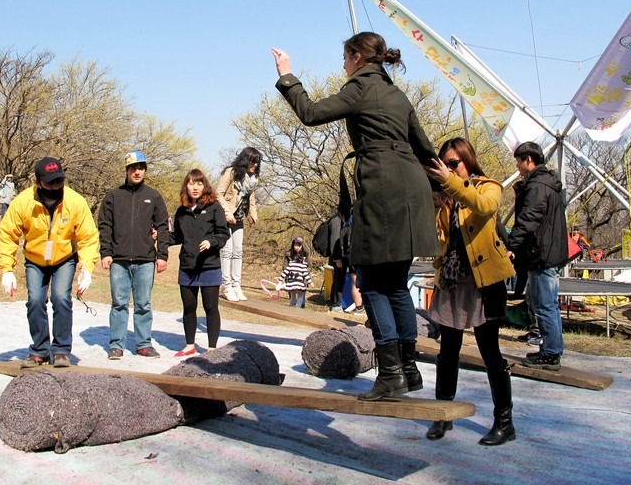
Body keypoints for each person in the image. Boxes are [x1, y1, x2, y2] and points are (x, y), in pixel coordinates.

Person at [271, 32, 439, 402]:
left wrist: (287, 75)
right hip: (413, 189)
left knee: (372, 282)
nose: (342, 64)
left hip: (383, 188)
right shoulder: (397, 94)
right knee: (396, 284)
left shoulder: (360, 87)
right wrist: (448, 186)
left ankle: (391, 373)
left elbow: (311, 113)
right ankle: (409, 371)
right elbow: (425, 149)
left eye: (344, 57)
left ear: (358, 57)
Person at [423, 137, 517, 446]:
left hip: (483, 283)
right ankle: (442, 414)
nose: (449, 170)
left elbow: (484, 206)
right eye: (444, 165)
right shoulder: (445, 198)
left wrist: (450, 185)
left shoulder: (488, 187)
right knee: (447, 352)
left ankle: (505, 422)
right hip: (451, 281)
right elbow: (437, 241)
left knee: (491, 353)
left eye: (454, 164)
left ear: (468, 161)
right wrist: (433, 203)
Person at [0, 156, 99, 368]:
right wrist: (7, 269)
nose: (55, 186)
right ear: (38, 181)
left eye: (59, 180)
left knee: (61, 298)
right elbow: (8, 234)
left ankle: (61, 350)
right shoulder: (23, 202)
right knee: (35, 300)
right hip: (35, 260)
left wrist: (87, 268)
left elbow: (88, 237)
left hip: (64, 259)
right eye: (50, 182)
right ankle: (39, 350)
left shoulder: (75, 202)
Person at [98, 151, 170, 360]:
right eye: (133, 168)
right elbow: (104, 226)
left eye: (141, 168)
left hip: (145, 259)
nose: (137, 172)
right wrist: (106, 252)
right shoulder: (113, 196)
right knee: (119, 303)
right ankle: (116, 345)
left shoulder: (154, 196)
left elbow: (163, 227)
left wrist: (162, 255)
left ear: (145, 170)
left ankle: (143, 344)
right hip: (118, 260)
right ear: (127, 170)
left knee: (143, 304)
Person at [507, 141, 569, 371]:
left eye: (518, 163)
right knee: (547, 304)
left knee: (544, 305)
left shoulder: (538, 186)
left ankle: (551, 352)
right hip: (548, 251)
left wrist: (512, 245)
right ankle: (552, 349)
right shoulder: (547, 183)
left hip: (541, 253)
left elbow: (528, 219)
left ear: (529, 160)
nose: (518, 168)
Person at [170, 169, 230, 357]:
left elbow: (223, 233)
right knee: (188, 308)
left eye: (199, 183)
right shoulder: (181, 211)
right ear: (186, 187)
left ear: (204, 186)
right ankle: (189, 345)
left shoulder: (214, 207)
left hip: (209, 266)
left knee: (210, 307)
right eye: (191, 183)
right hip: (187, 266)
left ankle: (212, 348)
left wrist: (211, 242)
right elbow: (177, 237)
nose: (195, 187)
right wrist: (160, 237)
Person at [216, 147, 262, 302]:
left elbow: (251, 197)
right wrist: (228, 213)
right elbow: (218, 194)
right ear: (245, 159)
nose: (255, 165)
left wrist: (253, 214)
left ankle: (237, 285)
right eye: (252, 161)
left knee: (238, 252)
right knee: (227, 252)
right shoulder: (231, 172)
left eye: (257, 162)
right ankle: (227, 286)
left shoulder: (253, 179)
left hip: (240, 218)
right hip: (226, 218)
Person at [277, 236, 313, 308]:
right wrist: (285, 276)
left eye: (298, 245)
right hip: (291, 278)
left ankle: (300, 308)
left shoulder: (305, 254)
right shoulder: (289, 254)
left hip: (302, 279)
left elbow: (309, 266)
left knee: (301, 295)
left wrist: (303, 273)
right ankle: (292, 308)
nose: (297, 247)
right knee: (292, 295)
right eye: (295, 245)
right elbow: (285, 267)